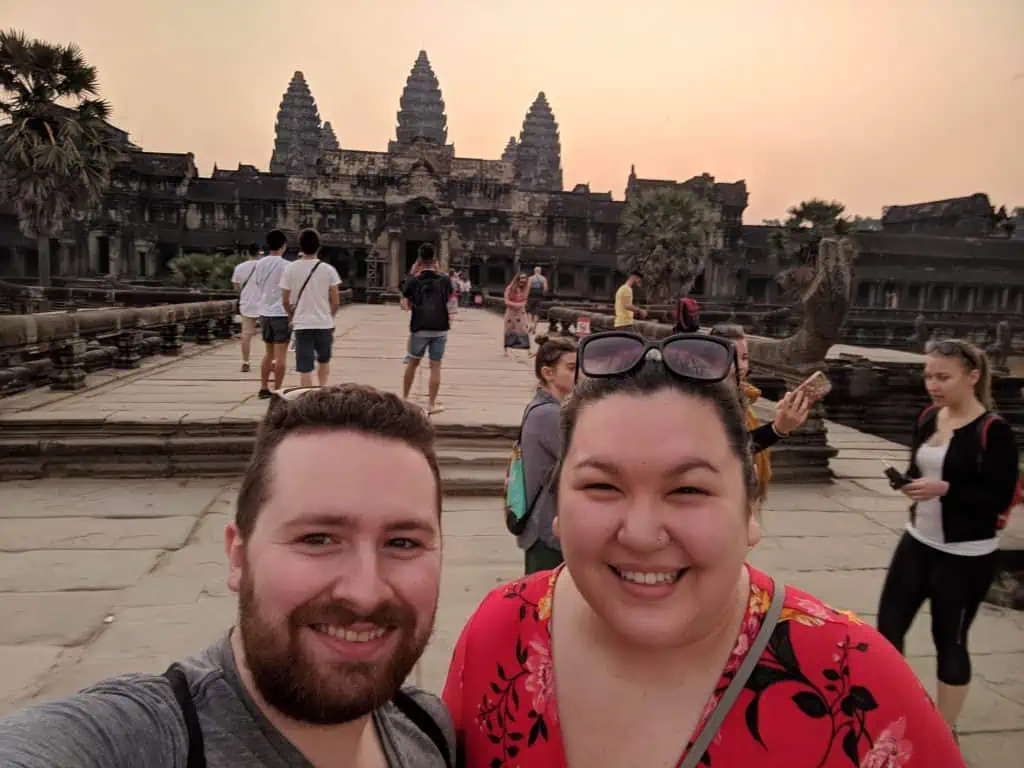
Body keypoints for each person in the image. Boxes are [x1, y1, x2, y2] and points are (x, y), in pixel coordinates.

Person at [443, 331, 963, 767]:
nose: (642, 534)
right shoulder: (499, 633)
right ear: (559, 505)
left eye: (688, 490)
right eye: (602, 486)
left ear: (749, 511)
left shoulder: (857, 685)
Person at [0, 385, 454, 767]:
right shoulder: (142, 739)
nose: (364, 593)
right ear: (238, 556)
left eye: (403, 543)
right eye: (317, 538)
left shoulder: (428, 729)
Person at [877, 338, 1018, 737]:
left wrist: (947, 490)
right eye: (928, 376)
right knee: (887, 630)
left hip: (964, 554)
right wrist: (908, 484)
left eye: (943, 377)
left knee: (949, 640)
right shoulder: (928, 417)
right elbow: (917, 466)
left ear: (972, 377)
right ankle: (895, 709)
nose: (933, 385)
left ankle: (943, 731)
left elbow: (998, 497)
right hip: (916, 541)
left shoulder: (995, 431)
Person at [711, 323, 810, 501]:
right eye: (734, 357)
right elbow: (730, 450)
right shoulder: (705, 400)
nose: (742, 365)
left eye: (745, 357)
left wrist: (781, 424)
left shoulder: (742, 393)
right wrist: (777, 429)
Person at [516, 336, 577, 575]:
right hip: (546, 526)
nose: (578, 374)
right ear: (548, 373)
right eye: (571, 368)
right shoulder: (549, 414)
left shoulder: (542, 408)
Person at [280, 229, 341, 388]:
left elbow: (285, 300)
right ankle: (322, 390)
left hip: (302, 324)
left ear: (300, 246)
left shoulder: (290, 269)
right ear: (319, 247)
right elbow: (335, 301)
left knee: (305, 368)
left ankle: (307, 395)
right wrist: (330, 316)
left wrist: (291, 316)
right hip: (324, 324)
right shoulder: (328, 270)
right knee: (324, 361)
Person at [401, 244, 452, 416]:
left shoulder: (414, 280)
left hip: (419, 327)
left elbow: (405, 293)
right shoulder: (444, 280)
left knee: (412, 363)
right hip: (440, 328)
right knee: (435, 365)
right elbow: (448, 296)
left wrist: (413, 272)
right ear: (436, 260)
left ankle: (405, 398)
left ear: (419, 261)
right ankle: (430, 404)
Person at [252, 229, 291, 399]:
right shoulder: (287, 266)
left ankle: (263, 387)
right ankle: (278, 389)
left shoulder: (259, 264)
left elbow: (258, 284)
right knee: (281, 355)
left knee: (268, 353)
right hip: (281, 313)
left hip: (264, 312)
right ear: (283, 246)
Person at [231, 244, 262, 373]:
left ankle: (245, 361)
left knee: (246, 335)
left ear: (247, 253)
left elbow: (236, 286)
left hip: (247, 304)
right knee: (269, 336)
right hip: (264, 304)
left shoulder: (240, 267)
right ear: (259, 253)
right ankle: (271, 361)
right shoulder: (264, 267)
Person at [503, 274, 531, 355]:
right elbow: (506, 301)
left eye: (524, 280)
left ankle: (527, 349)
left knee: (524, 328)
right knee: (508, 329)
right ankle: (506, 349)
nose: (523, 282)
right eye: (521, 280)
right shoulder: (509, 288)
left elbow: (525, 301)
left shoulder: (525, 290)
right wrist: (517, 305)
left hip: (521, 313)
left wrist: (521, 305)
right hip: (511, 312)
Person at [526, 266, 548, 335]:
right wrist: (542, 294)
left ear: (534, 271)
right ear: (540, 271)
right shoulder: (543, 278)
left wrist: (526, 297)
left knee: (529, 311)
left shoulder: (531, 278)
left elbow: (528, 288)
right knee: (537, 312)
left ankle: (530, 325)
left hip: (531, 295)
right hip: (539, 296)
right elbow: (545, 289)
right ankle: (534, 327)